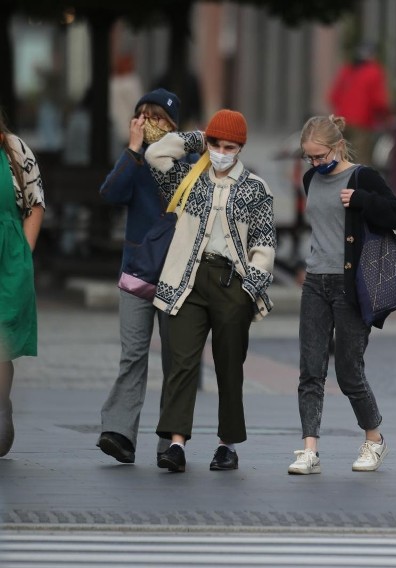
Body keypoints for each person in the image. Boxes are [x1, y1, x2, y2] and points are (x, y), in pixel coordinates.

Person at [146, 109, 276, 473]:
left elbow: (265, 244)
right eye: (216, 144)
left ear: (241, 148)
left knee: (229, 365)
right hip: (187, 281)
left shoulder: (256, 188)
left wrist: (250, 287)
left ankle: (227, 445)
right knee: (182, 362)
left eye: (229, 145)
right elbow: (154, 154)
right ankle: (175, 443)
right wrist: (197, 138)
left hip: (232, 284)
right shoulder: (187, 179)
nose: (221, 151)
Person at [288, 114, 396, 476]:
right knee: (310, 369)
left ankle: (374, 439)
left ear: (337, 147)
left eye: (321, 156)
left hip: (351, 284)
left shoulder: (362, 176)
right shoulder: (310, 180)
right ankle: (310, 449)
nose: (315, 164)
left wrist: (362, 200)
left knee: (348, 371)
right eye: (310, 158)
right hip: (316, 282)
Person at [96, 88, 185, 465]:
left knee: (175, 359)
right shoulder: (133, 160)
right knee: (132, 355)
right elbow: (111, 193)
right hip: (136, 271)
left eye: (158, 117)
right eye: (143, 116)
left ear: (173, 125)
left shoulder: (188, 158)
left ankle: (170, 442)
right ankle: (118, 432)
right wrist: (132, 150)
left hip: (177, 273)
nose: (149, 124)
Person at [0, 111, 45, 457]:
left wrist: (23, 253)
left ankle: (1, 410)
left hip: (9, 256)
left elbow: (35, 203)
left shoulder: (14, 149)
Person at [328, 43, 390, 166]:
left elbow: (333, 96)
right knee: (361, 160)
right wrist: (386, 117)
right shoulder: (374, 71)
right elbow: (378, 101)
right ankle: (358, 184)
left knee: (340, 159)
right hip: (361, 122)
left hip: (341, 121)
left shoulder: (347, 70)